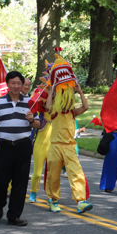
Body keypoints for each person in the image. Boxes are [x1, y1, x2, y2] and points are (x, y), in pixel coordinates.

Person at [0, 71, 39, 226]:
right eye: (12, 83)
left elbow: (38, 125)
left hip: (23, 147)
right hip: (4, 147)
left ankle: (14, 215)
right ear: (7, 84)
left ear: (22, 85)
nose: (16, 86)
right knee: (0, 181)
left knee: (20, 183)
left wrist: (32, 119)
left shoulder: (30, 103)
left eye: (18, 83)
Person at [44, 53, 92, 215]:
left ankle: (80, 201)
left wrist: (80, 91)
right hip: (55, 146)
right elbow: (48, 107)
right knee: (54, 174)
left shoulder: (72, 112)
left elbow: (85, 107)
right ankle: (53, 199)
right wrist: (52, 89)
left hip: (70, 146)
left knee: (75, 172)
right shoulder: (55, 112)